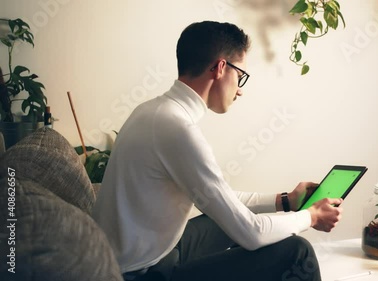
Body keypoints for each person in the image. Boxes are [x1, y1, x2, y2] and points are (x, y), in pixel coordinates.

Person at [92, 21, 343, 281]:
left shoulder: (152, 111)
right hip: (142, 274)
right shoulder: (178, 130)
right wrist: (310, 217)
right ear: (221, 68)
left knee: (229, 218)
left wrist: (285, 201)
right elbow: (251, 233)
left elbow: (220, 198)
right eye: (240, 76)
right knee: (297, 251)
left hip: (153, 254)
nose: (240, 90)